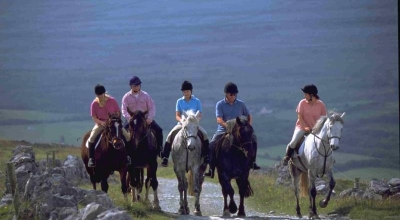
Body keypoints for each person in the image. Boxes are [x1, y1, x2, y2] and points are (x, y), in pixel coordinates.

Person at [204, 82, 260, 178]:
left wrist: (248, 127)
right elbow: (219, 119)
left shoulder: (241, 104)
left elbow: (249, 116)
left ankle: (253, 162)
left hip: (239, 131)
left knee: (253, 138)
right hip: (223, 130)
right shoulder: (220, 104)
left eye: (235, 94)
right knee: (212, 144)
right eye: (231, 94)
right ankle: (211, 168)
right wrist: (228, 126)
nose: (233, 96)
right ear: (226, 94)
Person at [161, 80, 209, 167]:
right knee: (169, 135)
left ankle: (206, 156)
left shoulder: (197, 101)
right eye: (184, 91)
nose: (186, 93)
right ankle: (165, 158)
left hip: (193, 124)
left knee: (205, 134)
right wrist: (182, 121)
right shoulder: (179, 101)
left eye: (187, 91)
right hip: (182, 124)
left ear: (191, 91)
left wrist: (196, 122)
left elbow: (200, 115)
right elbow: (177, 116)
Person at [282, 84, 327, 166]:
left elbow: (324, 119)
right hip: (302, 127)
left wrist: (318, 129)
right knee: (293, 141)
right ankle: (287, 157)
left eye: (306, 94)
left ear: (312, 95)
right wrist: (305, 127)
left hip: (316, 129)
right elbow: (300, 117)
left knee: (326, 142)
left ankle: (328, 158)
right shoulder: (302, 103)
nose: (304, 96)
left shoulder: (321, 105)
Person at [88, 84, 131, 167]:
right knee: (92, 137)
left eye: (101, 94)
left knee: (127, 136)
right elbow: (94, 117)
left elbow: (118, 112)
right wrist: (101, 122)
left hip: (113, 123)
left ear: (104, 93)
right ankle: (91, 159)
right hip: (101, 124)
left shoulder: (112, 101)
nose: (100, 96)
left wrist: (113, 118)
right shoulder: (94, 104)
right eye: (98, 95)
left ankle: (128, 156)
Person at [121, 76, 163, 156]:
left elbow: (152, 107)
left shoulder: (146, 95)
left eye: (138, 85)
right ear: (131, 86)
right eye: (134, 85)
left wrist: (150, 118)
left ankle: (160, 150)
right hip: (132, 119)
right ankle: (124, 154)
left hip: (145, 119)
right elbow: (124, 110)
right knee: (122, 132)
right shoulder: (126, 97)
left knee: (159, 130)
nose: (136, 87)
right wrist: (130, 119)